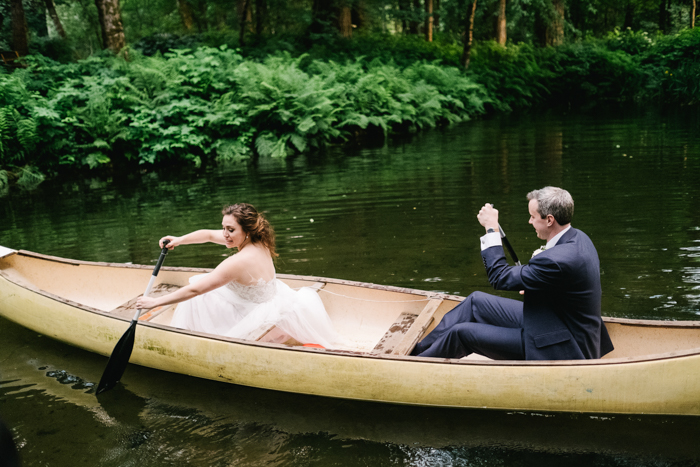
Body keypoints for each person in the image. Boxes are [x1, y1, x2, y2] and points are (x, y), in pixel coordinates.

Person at [411, 186, 614, 361]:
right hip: (553, 320)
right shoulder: (579, 238)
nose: (529, 221)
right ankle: (417, 351)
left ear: (550, 220)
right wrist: (539, 288)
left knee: (461, 333)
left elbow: (499, 277)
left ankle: (411, 367)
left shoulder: (556, 259)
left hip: (561, 345)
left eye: (533, 217)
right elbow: (568, 285)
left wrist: (491, 229)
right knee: (475, 302)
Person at [136, 203, 338, 348]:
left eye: (230, 230)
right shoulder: (260, 240)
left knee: (196, 292)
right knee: (202, 284)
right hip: (271, 302)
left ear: (247, 230)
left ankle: (189, 343)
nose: (224, 234)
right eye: (224, 228)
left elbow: (196, 290)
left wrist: (155, 302)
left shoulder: (237, 262)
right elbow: (207, 234)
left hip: (252, 314)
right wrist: (179, 240)